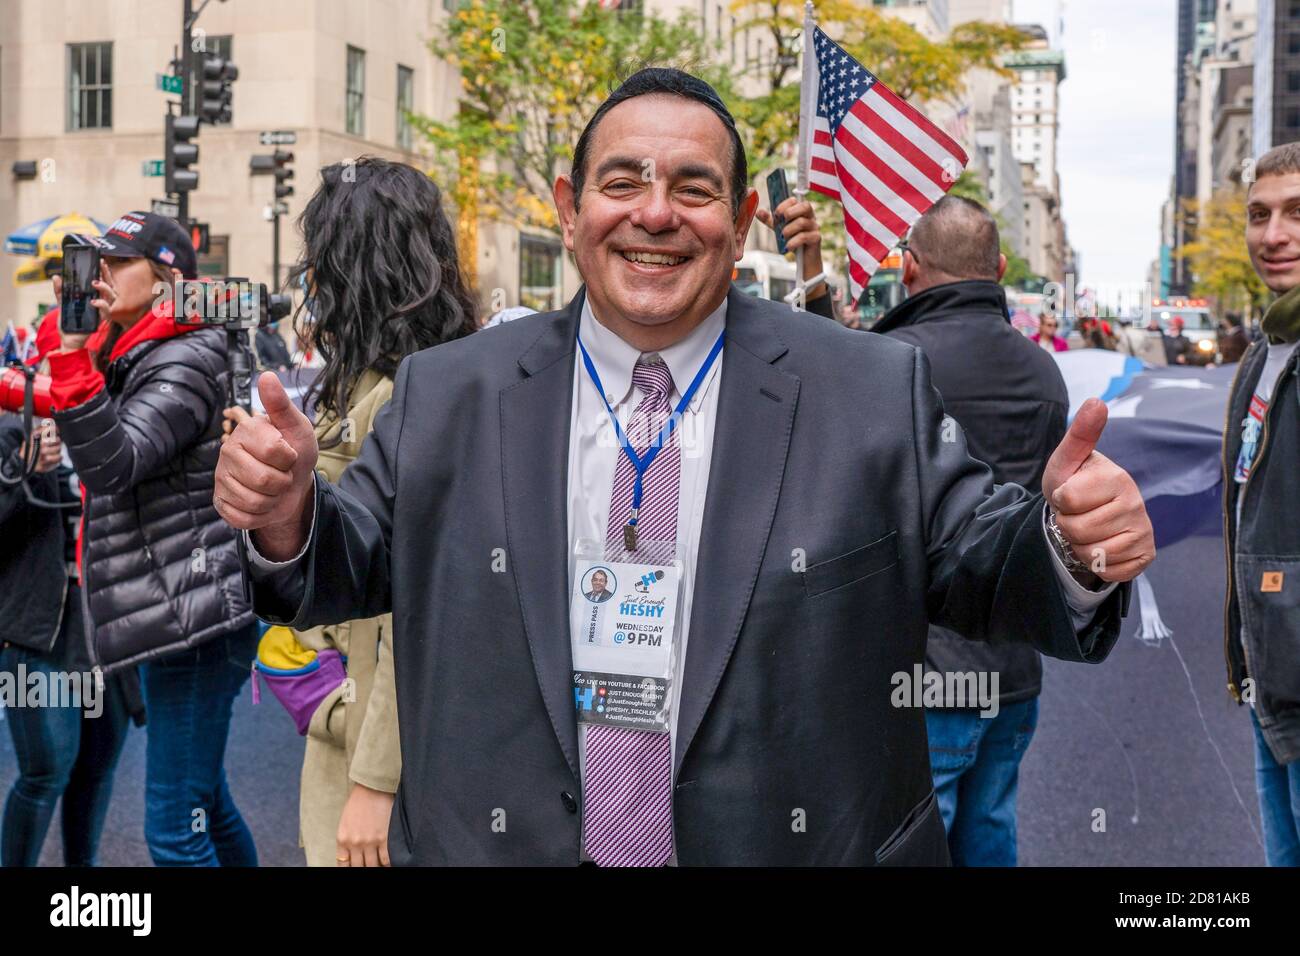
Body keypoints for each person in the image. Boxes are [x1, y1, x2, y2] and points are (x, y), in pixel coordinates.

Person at [216, 68, 1154, 866]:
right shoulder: (450, 391)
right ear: (567, 206)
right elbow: (348, 562)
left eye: (695, 188)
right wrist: (289, 512)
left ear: (741, 221)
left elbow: (983, 569)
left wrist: (1069, 544)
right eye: (622, 181)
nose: (654, 212)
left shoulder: (869, 385)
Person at [227, 157, 478, 868]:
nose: (310, 277)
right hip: (348, 716)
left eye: (321, 254)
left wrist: (376, 779)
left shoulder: (408, 396)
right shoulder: (376, 384)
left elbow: (419, 606)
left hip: (379, 751)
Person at [44, 212, 259, 866]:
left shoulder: (185, 353)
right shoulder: (138, 344)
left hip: (194, 623)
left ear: (167, 277)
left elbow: (114, 465)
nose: (98, 275)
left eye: (115, 263)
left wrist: (75, 361)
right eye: (94, 263)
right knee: (205, 799)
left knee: (174, 831)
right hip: (182, 608)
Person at [863, 196, 1070, 865]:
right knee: (990, 828)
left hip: (925, 666)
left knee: (917, 838)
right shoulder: (1043, 370)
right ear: (1001, 268)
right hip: (1015, 657)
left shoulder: (889, 365)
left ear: (910, 268)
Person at [0, 313, 141, 866]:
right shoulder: (14, 422)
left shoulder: (121, 417)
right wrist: (22, 468)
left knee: (97, 767)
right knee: (47, 770)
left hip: (110, 623)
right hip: (39, 631)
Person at [1223, 142, 1300, 867]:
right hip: (1269, 673)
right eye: (1258, 214)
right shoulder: (1264, 351)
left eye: (1295, 213)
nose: (1272, 234)